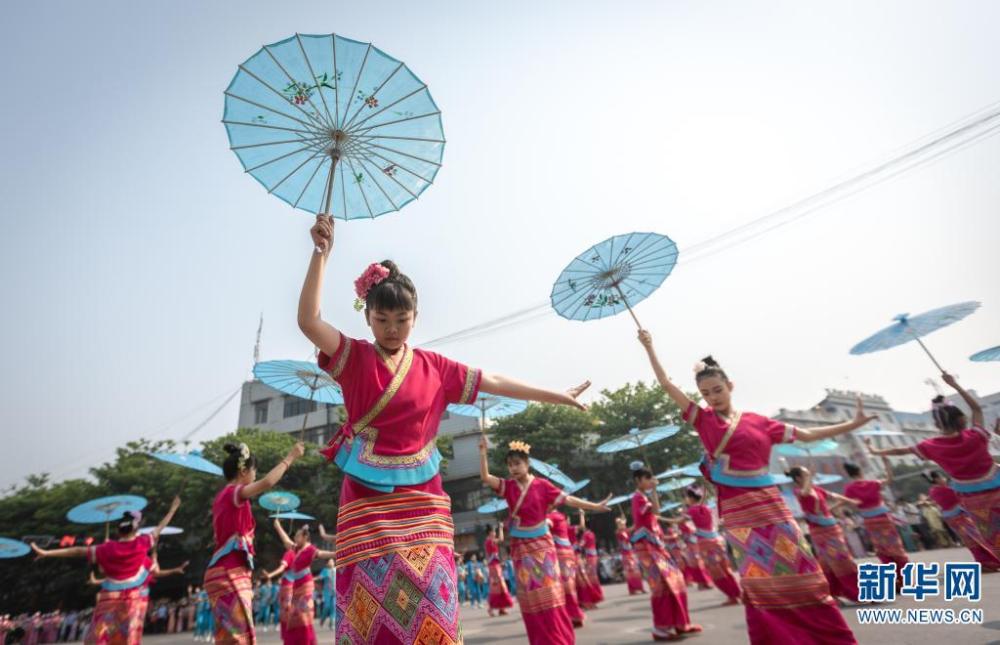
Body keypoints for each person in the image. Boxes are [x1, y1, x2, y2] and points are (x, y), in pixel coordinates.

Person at [299, 215, 593, 644]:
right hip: (367, 498)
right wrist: (320, 254)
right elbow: (309, 320)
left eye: (402, 319)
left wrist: (557, 394)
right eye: (382, 320)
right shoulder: (353, 357)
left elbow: (494, 380)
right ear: (368, 318)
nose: (393, 329)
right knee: (372, 603)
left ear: (415, 316)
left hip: (424, 494)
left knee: (432, 601)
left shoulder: (435, 368)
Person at [638, 331, 865, 644]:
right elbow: (666, 384)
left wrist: (851, 425)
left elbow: (808, 435)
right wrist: (649, 347)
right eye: (705, 393)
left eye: (717, 389)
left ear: (730, 385)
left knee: (803, 572)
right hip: (738, 514)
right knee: (760, 580)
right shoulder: (702, 420)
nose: (712, 397)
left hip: (772, 506)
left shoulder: (760, 421)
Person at [480, 438, 611, 645]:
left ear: (527, 464)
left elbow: (568, 499)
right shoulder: (508, 487)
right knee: (531, 598)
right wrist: (482, 453)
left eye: (517, 464)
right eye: (510, 465)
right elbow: (486, 477)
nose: (513, 468)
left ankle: (560, 638)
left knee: (551, 594)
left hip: (543, 546)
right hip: (522, 550)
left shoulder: (542, 485)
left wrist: (594, 506)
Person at [865, 374, 1000, 557]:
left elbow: (899, 451)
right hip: (995, 484)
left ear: (936, 423)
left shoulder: (930, 446)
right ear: (961, 419)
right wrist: (954, 385)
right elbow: (976, 408)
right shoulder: (976, 436)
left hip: (971, 497)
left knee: (991, 533)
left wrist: (875, 451)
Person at [32, 497, 181, 645]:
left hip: (110, 595)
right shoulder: (143, 542)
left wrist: (46, 553)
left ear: (118, 531)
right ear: (135, 529)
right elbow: (160, 528)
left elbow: (77, 551)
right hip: (135, 596)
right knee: (129, 633)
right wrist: (173, 509)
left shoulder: (106, 549)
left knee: (101, 632)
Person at [205, 440, 305, 644]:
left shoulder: (222, 498)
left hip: (224, 573)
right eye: (254, 470)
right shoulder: (233, 493)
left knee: (232, 638)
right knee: (238, 639)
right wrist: (291, 457)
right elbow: (268, 482)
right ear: (243, 471)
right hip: (228, 573)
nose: (255, 475)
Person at [631, 463, 701, 641]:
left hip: (657, 545)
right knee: (661, 586)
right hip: (647, 547)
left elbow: (656, 513)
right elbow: (655, 510)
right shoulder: (638, 498)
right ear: (638, 480)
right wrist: (654, 491)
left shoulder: (643, 497)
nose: (649, 481)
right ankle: (661, 629)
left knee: (675, 580)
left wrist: (652, 492)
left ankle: (679, 623)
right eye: (647, 479)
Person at [787, 466, 861, 603]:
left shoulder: (818, 490)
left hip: (832, 528)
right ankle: (857, 593)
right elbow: (805, 492)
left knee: (828, 563)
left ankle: (831, 593)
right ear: (798, 478)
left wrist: (850, 501)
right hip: (821, 532)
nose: (808, 475)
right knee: (842, 560)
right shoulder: (798, 491)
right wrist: (809, 476)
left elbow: (833, 496)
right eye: (805, 474)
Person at [262, 521, 335, 645]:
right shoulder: (297, 549)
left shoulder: (310, 549)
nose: (295, 539)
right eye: (295, 536)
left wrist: (338, 553)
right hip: (296, 587)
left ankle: (306, 641)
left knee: (303, 616)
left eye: (297, 536)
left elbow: (322, 554)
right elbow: (287, 542)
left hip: (305, 587)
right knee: (295, 617)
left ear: (305, 537)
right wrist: (278, 526)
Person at [921, 471, 1000, 571]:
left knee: (971, 542)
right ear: (937, 479)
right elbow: (961, 499)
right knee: (979, 538)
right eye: (942, 478)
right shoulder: (945, 490)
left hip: (953, 519)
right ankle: (991, 561)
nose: (944, 479)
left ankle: (985, 562)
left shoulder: (933, 491)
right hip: (961, 517)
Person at [683, 486, 741, 605]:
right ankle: (738, 592)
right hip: (717, 540)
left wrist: (660, 517)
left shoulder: (691, 511)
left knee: (716, 571)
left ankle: (732, 596)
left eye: (687, 497)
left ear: (690, 498)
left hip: (705, 543)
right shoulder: (707, 509)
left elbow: (682, 522)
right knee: (726, 568)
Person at [547, 510, 587, 628]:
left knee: (564, 588)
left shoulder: (551, 516)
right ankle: (573, 615)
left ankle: (572, 616)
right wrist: (581, 515)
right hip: (568, 554)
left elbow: (543, 527)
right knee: (569, 587)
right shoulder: (560, 516)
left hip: (560, 556)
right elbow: (582, 526)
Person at [574, 512, 605, 609]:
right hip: (593, 556)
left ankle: (589, 599)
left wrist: (576, 546)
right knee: (592, 578)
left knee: (587, 579)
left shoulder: (585, 535)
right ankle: (594, 598)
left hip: (588, 558)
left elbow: (580, 546)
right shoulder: (592, 534)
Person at [484, 525, 514, 616]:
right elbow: (501, 539)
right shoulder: (490, 541)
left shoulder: (487, 541)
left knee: (500, 587)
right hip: (494, 567)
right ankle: (490, 609)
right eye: (494, 532)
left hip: (495, 565)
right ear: (490, 533)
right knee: (496, 587)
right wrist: (500, 527)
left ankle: (502, 608)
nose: (495, 533)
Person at [615, 516, 645, 595]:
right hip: (626, 554)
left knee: (636, 571)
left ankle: (640, 587)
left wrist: (638, 520)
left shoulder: (625, 532)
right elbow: (629, 538)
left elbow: (633, 528)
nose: (624, 525)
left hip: (630, 553)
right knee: (630, 572)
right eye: (621, 524)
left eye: (624, 524)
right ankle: (632, 589)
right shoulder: (619, 533)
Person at [316, 559, 336, 630]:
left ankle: (332, 624)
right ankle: (322, 619)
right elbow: (320, 577)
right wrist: (312, 579)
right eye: (329, 561)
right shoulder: (325, 571)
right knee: (326, 607)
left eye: (332, 561)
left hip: (335, 592)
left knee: (333, 606)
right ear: (327, 564)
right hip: (327, 592)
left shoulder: (336, 570)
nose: (331, 562)